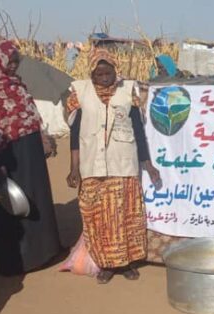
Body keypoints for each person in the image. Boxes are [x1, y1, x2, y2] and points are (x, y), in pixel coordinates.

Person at [66, 49, 160, 284]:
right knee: (98, 218)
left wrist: (148, 165)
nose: (105, 78)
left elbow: (138, 132)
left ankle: (126, 263)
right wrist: (74, 167)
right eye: (99, 74)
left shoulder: (128, 92)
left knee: (124, 217)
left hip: (123, 165)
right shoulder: (80, 93)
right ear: (92, 74)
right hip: (91, 167)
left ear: (115, 72)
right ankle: (106, 264)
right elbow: (75, 135)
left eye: (108, 73)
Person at [0, 40, 61, 277]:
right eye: (9, 61)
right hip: (5, 153)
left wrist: (42, 137)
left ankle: (43, 252)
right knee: (9, 202)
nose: (13, 65)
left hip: (30, 151)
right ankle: (14, 261)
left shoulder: (17, 84)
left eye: (16, 61)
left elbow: (31, 114)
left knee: (36, 196)